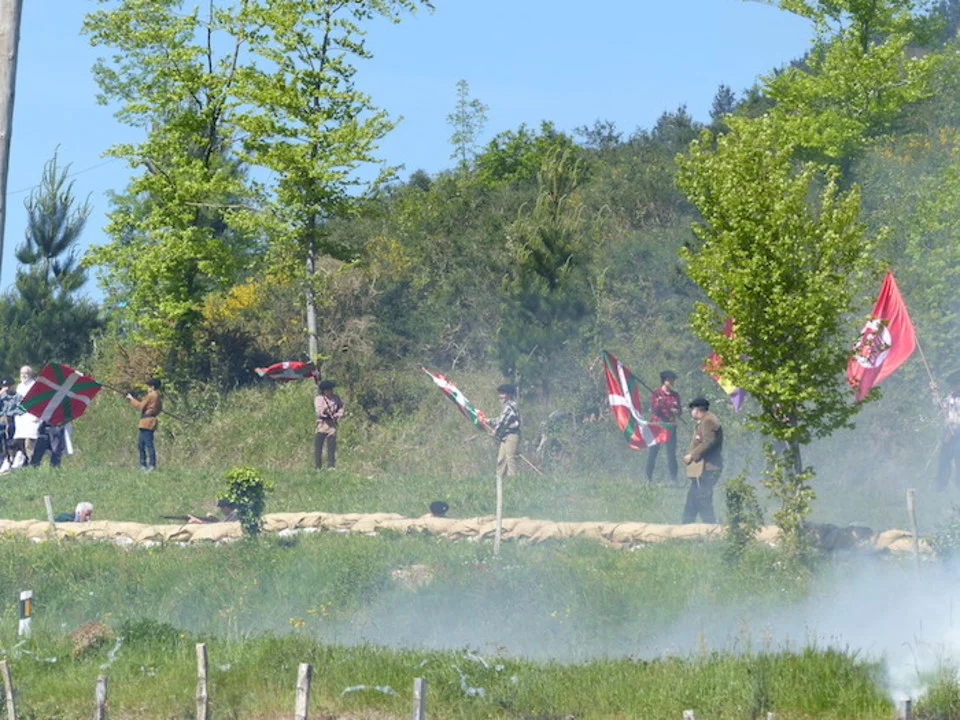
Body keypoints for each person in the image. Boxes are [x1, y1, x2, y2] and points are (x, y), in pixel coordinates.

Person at [681, 397, 723, 524]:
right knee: (693, 498)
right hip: (702, 469)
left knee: (703, 498)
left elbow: (708, 442)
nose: (691, 412)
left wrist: (692, 455)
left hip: (708, 468)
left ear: (697, 410)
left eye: (691, 409)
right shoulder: (705, 420)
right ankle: (686, 525)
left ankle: (710, 527)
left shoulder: (708, 421)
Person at [645, 370, 682, 482]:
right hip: (657, 426)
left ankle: (674, 480)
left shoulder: (675, 395)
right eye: (669, 379)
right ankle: (648, 478)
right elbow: (654, 409)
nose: (672, 381)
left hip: (670, 426)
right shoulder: (656, 393)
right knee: (653, 452)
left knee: (671, 453)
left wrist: (676, 411)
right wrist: (659, 403)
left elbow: (680, 412)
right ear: (664, 380)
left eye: (673, 380)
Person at [126, 378, 163, 471]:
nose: (148, 388)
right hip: (150, 421)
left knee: (147, 444)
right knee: (141, 444)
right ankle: (144, 465)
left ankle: (150, 465)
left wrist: (131, 399)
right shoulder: (158, 396)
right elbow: (159, 408)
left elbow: (140, 406)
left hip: (146, 421)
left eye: (149, 386)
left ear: (152, 387)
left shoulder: (151, 395)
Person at [933, 373, 960, 490]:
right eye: (952, 385)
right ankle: (941, 487)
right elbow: (939, 406)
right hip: (950, 434)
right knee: (944, 460)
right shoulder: (950, 398)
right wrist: (935, 391)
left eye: (955, 384)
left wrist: (953, 420)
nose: (953, 387)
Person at [489, 383, 521, 479]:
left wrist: (495, 432)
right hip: (505, 435)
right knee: (501, 459)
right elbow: (500, 420)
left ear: (509, 395)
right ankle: (499, 481)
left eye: (503, 394)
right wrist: (487, 421)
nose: (500, 396)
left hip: (512, 435)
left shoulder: (510, 406)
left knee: (510, 458)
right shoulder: (506, 406)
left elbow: (502, 423)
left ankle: (513, 481)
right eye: (500, 394)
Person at [12, 366, 41, 467]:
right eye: (22, 373)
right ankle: (23, 465)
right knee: (20, 443)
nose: (24, 375)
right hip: (21, 419)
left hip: (31, 419)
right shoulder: (19, 386)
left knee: (30, 443)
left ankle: (32, 465)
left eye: (26, 373)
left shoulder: (35, 386)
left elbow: (39, 403)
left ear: (30, 374)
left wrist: (36, 416)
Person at [314, 379, 345, 470]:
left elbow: (341, 407)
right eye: (327, 389)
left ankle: (331, 466)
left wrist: (338, 415)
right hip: (322, 424)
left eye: (330, 389)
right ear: (323, 390)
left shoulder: (336, 398)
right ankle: (318, 466)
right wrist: (325, 411)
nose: (330, 391)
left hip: (332, 424)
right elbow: (319, 411)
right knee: (318, 446)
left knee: (331, 446)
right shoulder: (319, 399)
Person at [0, 377, 18, 469]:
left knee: (11, 441)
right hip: (1, 420)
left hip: (12, 419)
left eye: (8, 386)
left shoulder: (16, 396)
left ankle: (11, 460)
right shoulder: (1, 396)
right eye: (4, 386)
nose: (6, 388)